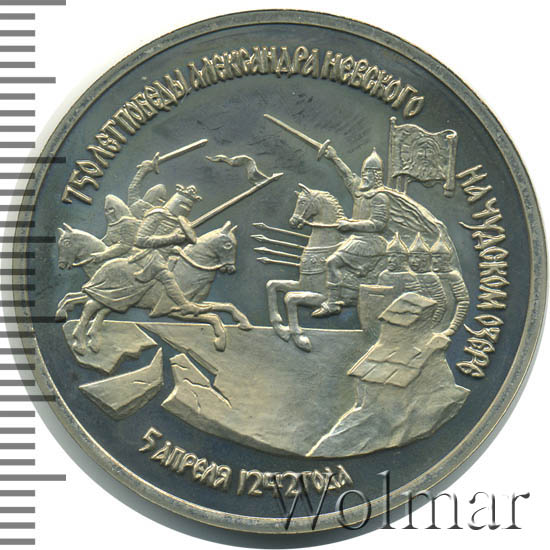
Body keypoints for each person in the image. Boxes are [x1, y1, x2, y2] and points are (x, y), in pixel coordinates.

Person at [312, 147, 390, 317]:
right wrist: (334, 157)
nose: (365, 176)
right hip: (355, 239)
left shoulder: (380, 197)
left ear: (377, 176)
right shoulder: (360, 191)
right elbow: (347, 175)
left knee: (332, 262)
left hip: (370, 243)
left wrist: (351, 224)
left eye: (369, 173)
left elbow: (378, 224)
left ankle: (332, 303)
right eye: (364, 172)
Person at [131, 184, 210, 316]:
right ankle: (185, 306)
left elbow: (191, 240)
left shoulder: (181, 221)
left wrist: (178, 242)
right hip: (145, 255)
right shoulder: (157, 215)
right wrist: (172, 238)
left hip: (164, 257)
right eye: (183, 204)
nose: (186, 208)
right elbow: (140, 240)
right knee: (167, 277)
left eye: (189, 206)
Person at [431, 237, 469, 336]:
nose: (434, 261)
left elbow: (463, 302)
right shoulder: (427, 275)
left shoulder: (453, 276)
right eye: (433, 257)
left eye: (438, 257)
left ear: (446, 259)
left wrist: (453, 327)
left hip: (444, 326)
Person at [407, 233, 446, 324]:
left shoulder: (430, 278)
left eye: (417, 257)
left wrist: (432, 323)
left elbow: (441, 304)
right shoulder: (406, 275)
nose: (412, 261)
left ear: (424, 260)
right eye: (411, 257)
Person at [91, 194, 139, 264]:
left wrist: (103, 255)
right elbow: (107, 240)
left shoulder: (128, 223)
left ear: (119, 208)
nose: (109, 212)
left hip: (133, 259)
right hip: (116, 257)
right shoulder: (112, 224)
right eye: (106, 210)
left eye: (111, 209)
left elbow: (126, 245)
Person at [377, 232, 421, 296]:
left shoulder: (409, 277)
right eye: (388, 256)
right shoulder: (384, 276)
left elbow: (414, 298)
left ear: (402, 258)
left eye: (394, 256)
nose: (389, 260)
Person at [127, 152, 168, 219]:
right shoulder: (137, 206)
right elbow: (133, 188)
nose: (161, 202)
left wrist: (143, 170)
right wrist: (143, 170)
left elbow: (133, 188)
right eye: (160, 199)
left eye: (161, 200)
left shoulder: (135, 205)